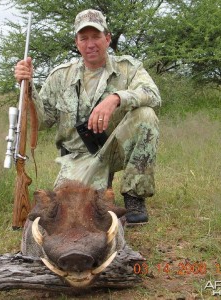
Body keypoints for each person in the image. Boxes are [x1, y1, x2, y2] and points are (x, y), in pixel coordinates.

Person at [14, 9, 161, 225]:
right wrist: (28, 89)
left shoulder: (128, 68)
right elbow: (43, 121)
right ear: (77, 42)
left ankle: (134, 198)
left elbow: (153, 95)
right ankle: (101, 183)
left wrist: (116, 98)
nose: (90, 44)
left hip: (114, 148)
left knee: (146, 114)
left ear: (107, 38)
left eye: (96, 36)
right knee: (69, 212)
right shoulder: (60, 75)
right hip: (78, 158)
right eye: (84, 38)